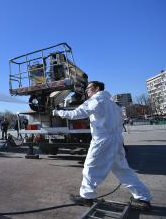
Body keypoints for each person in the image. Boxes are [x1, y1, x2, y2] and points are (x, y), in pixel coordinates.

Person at [52, 81, 152, 210]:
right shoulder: (113, 104)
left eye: (89, 88)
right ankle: (142, 198)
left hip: (102, 140)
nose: (87, 91)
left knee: (90, 167)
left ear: (97, 88)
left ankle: (86, 197)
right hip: (116, 140)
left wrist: (58, 112)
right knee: (123, 170)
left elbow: (75, 114)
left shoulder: (96, 100)